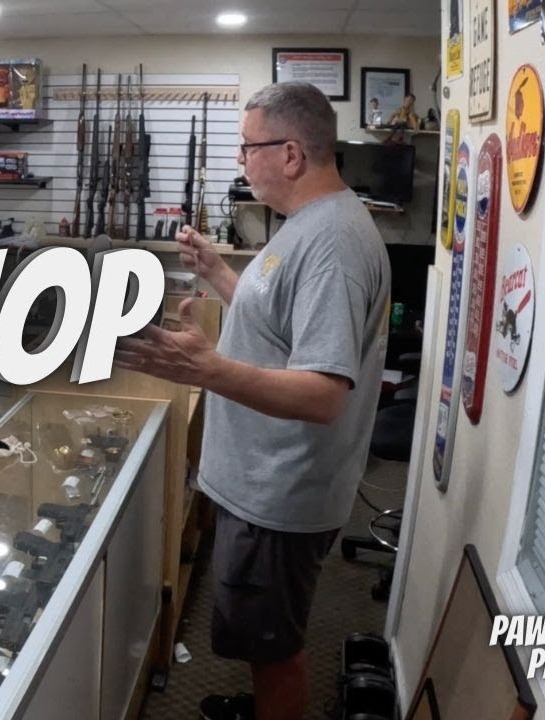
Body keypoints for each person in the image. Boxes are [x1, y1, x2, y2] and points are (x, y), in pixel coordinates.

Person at [115, 81, 390, 720]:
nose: (240, 160)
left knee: (274, 651)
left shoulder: (332, 244)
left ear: (290, 154)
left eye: (247, 147)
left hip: (281, 493)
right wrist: (218, 272)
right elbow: (279, 324)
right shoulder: (308, 226)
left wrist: (207, 369)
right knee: (258, 635)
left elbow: (323, 394)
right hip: (261, 482)